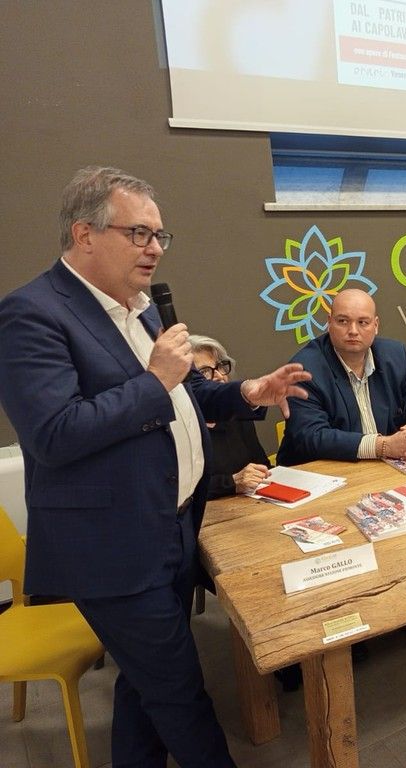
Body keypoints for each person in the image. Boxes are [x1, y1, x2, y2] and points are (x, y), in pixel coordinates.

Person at [0, 166, 311, 768]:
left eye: (159, 235)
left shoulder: (138, 308)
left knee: (144, 686)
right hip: (112, 546)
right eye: (138, 233)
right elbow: (54, 435)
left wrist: (247, 391)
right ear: (84, 234)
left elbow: (185, 393)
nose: (154, 249)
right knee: (180, 693)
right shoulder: (31, 314)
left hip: (173, 525)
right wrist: (155, 379)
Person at [276, 288, 406, 467]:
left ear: (376, 325)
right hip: (321, 471)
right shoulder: (302, 370)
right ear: (329, 322)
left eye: (363, 322)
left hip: (383, 469)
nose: (353, 331)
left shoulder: (396, 355)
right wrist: (383, 446)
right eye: (343, 321)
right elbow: (312, 436)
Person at [188, 334, 270, 497]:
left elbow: (261, 465)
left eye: (220, 367)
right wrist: (231, 482)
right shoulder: (179, 428)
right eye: (205, 372)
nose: (219, 376)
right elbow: (181, 490)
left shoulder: (236, 412)